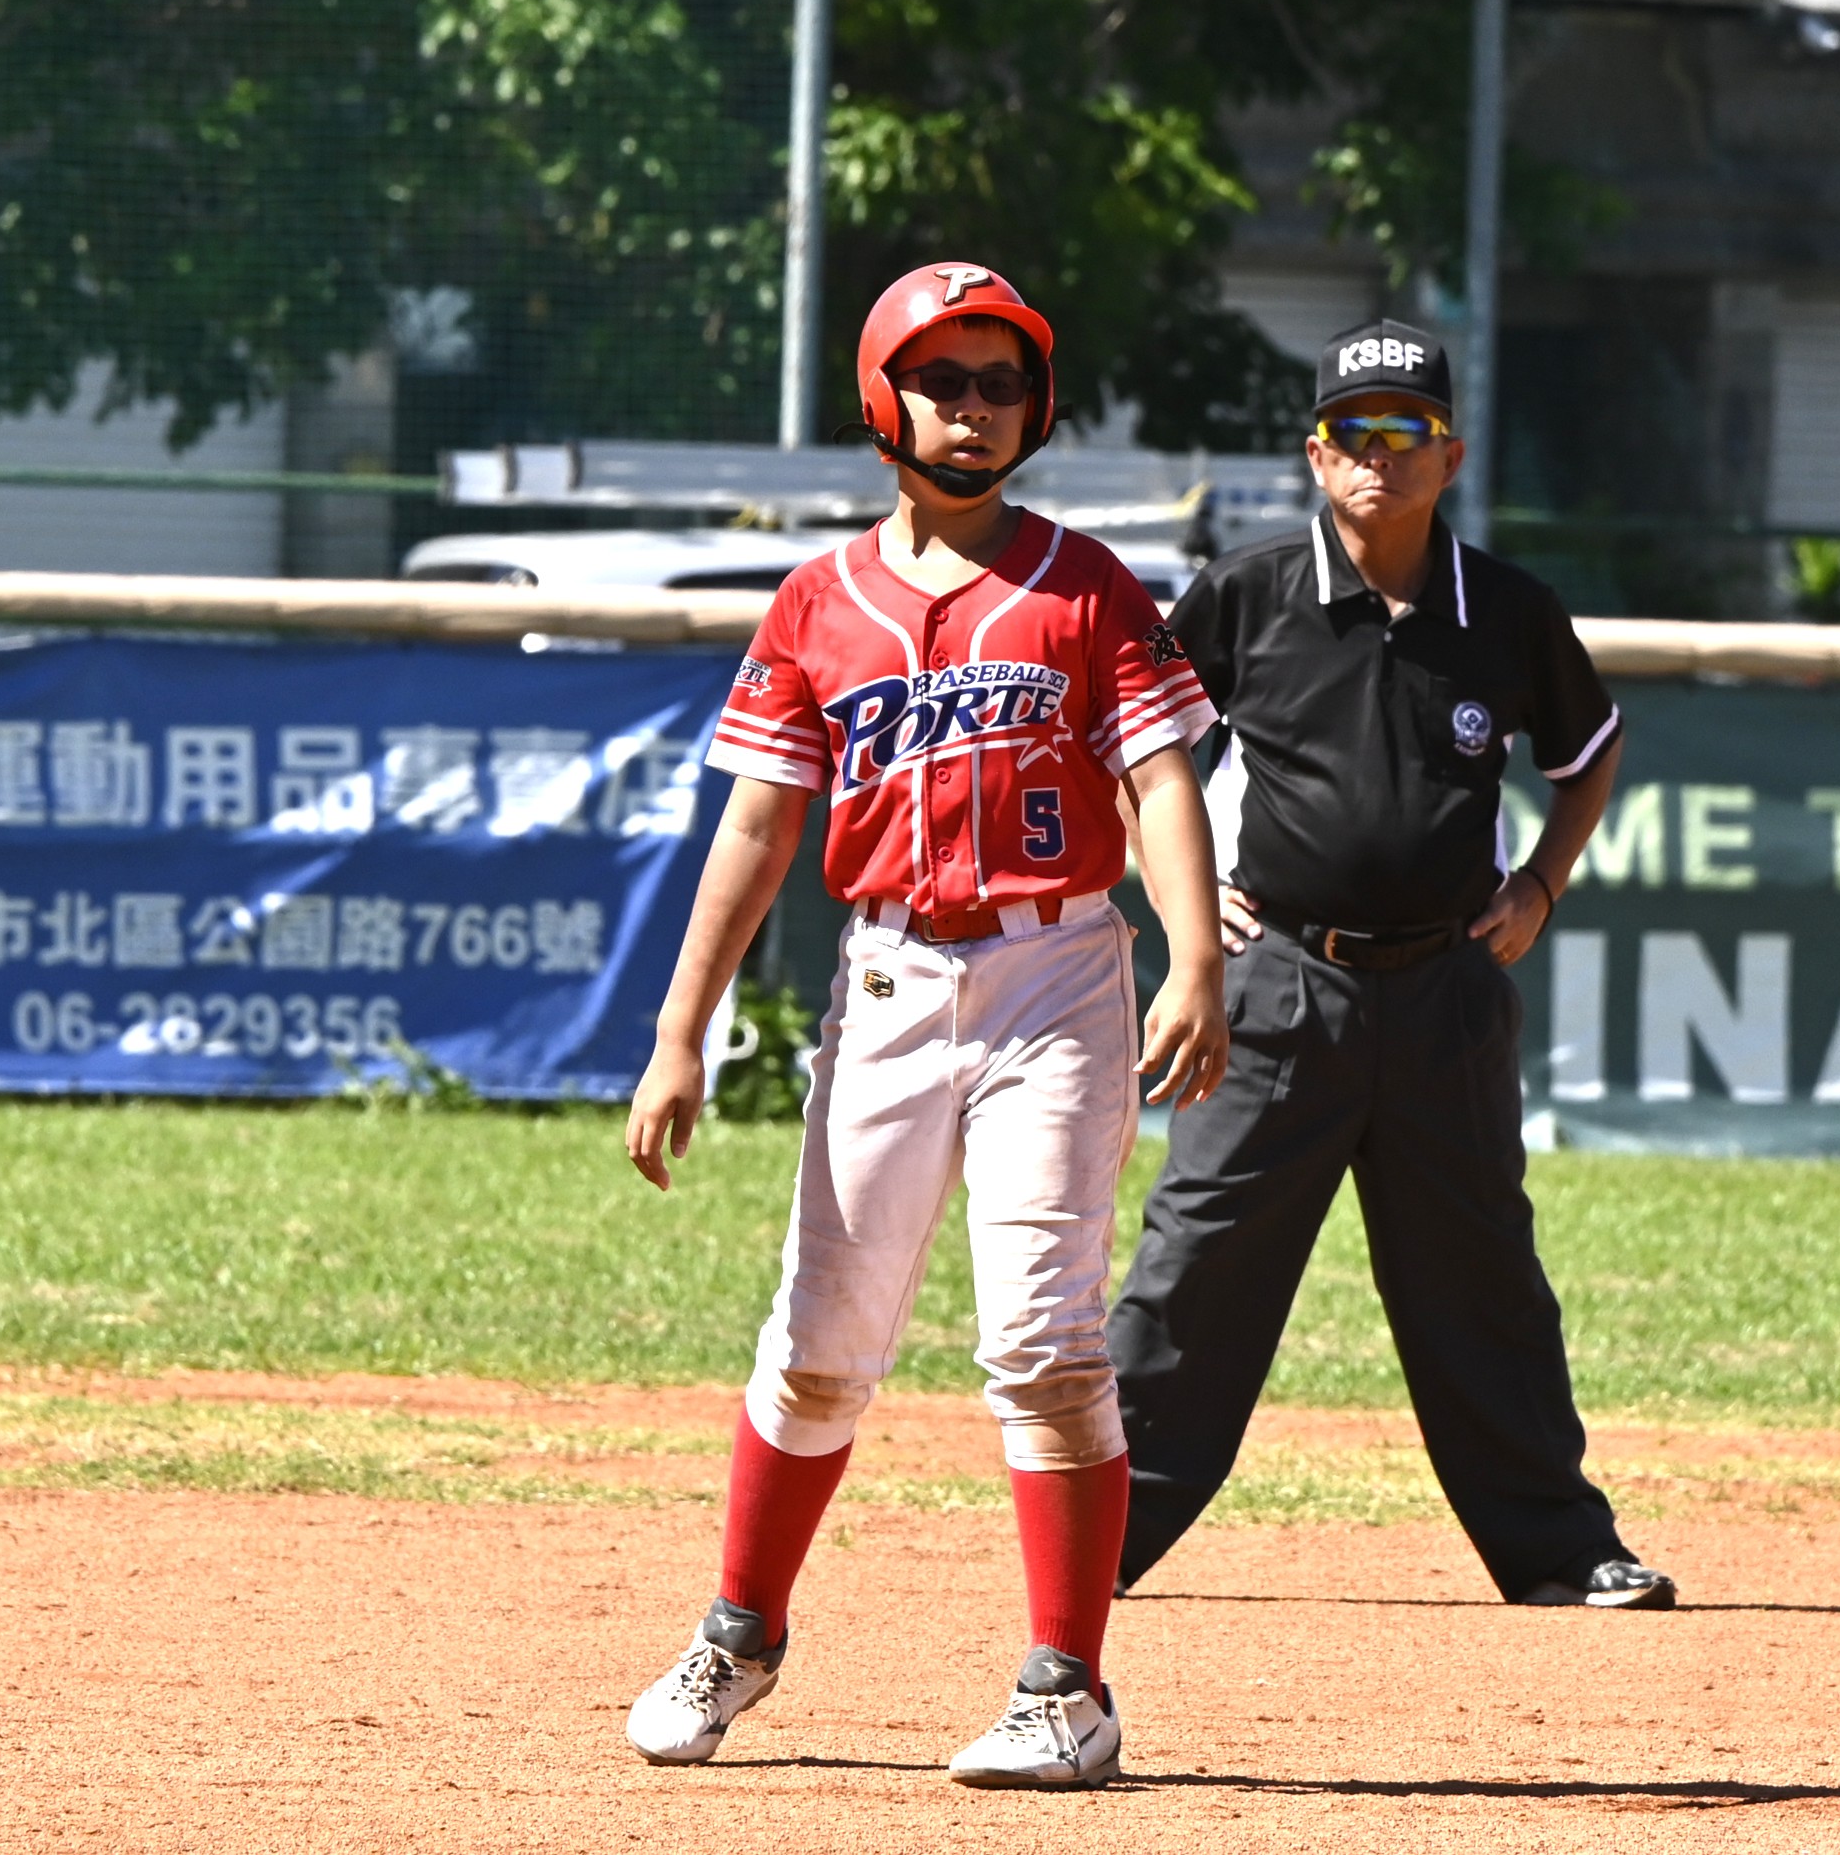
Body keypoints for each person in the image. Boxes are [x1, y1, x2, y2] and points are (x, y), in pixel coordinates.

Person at [617, 261, 1229, 1790]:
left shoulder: (1086, 586)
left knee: (1042, 1341)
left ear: (1037, 407)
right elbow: (758, 827)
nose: (972, 409)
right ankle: (740, 1632)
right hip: (887, 978)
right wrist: (680, 1030)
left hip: (1055, 977)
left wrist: (1194, 955)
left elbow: (1161, 781)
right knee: (822, 1344)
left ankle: (1065, 1693)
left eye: (1000, 382)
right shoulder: (819, 600)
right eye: (941, 381)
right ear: (883, 400)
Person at [1105, 318, 1676, 1611]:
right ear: (1316, 454)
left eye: (1404, 432)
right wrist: (1191, 920)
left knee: (1481, 1276)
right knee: (1194, 1266)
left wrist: (1537, 886)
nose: (1379, 456)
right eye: (1353, 433)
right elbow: (1141, 762)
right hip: (1278, 987)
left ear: (1448, 452)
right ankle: (1094, 1541)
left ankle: (1556, 1548)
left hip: (1446, 996)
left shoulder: (1508, 610)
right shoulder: (1245, 594)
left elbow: (1586, 755)